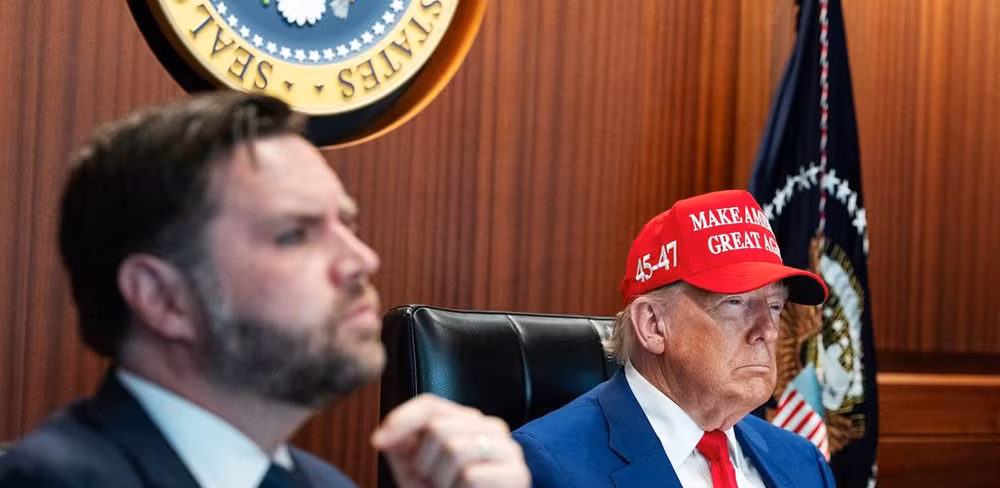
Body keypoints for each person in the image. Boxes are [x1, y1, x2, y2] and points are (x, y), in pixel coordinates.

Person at [0, 92, 529, 488]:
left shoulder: (323, 484)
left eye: (347, 225)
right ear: (162, 298)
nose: (362, 260)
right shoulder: (51, 481)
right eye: (294, 234)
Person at [512, 190, 837, 488]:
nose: (768, 330)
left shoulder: (804, 464)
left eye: (775, 306)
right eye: (735, 303)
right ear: (653, 325)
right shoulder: (545, 467)